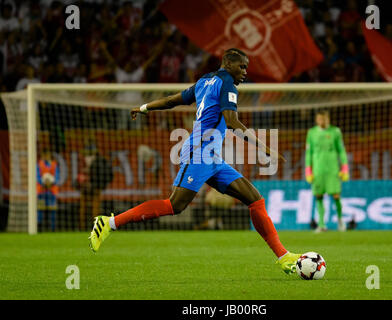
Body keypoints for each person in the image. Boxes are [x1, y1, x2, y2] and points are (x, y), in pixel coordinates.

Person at [89, 48, 302, 275]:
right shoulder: (227, 82)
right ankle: (109, 223)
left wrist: (144, 107)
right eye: (241, 66)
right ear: (228, 64)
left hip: (212, 157)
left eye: (246, 67)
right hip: (199, 152)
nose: (245, 72)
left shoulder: (204, 81)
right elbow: (231, 120)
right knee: (175, 205)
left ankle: (283, 256)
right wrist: (264, 147)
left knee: (255, 200)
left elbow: (173, 100)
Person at [305, 110, 349, 232]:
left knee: (336, 195)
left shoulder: (335, 131)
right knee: (319, 196)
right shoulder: (311, 133)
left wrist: (344, 167)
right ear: (316, 120)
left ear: (328, 119)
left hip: (332, 169)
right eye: (319, 119)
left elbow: (341, 150)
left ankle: (340, 221)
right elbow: (309, 153)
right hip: (318, 169)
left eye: (324, 119)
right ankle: (321, 224)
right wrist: (308, 170)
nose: (322, 121)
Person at [76, 143, 114, 230]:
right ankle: (93, 226)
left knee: (87, 206)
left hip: (90, 186)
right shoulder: (98, 160)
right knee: (93, 206)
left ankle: (84, 227)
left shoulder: (88, 160)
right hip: (94, 186)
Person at [37, 148, 59, 231]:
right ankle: (39, 229)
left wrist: (51, 183)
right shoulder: (39, 165)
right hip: (41, 191)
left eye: (48, 155)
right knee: (40, 211)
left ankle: (53, 229)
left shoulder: (54, 164)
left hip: (52, 191)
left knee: (52, 211)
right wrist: (43, 183)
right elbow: (37, 177)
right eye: (44, 155)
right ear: (42, 156)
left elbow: (57, 178)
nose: (46, 157)